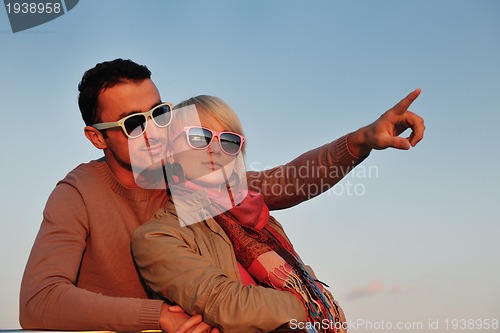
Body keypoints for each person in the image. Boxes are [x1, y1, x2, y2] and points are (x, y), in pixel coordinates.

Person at [19, 58, 424, 332]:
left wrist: (362, 140)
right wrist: (157, 315)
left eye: (159, 113)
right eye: (132, 123)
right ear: (96, 137)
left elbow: (288, 180)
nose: (156, 130)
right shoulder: (77, 194)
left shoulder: (190, 175)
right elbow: (38, 301)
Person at [132, 95, 349, 333]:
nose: (216, 149)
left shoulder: (260, 219)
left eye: (229, 141)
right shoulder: (158, 235)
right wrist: (312, 303)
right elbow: (230, 305)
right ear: (170, 152)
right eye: (199, 137)